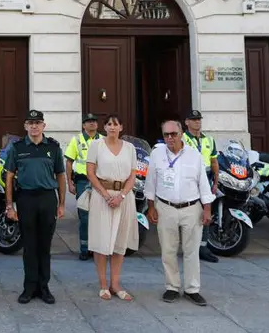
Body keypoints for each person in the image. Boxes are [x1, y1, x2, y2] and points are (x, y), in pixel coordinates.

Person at [144, 119, 214, 306]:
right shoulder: (157, 154)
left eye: (173, 134)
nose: (169, 138)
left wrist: (207, 208)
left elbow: (203, 184)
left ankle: (192, 289)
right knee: (168, 250)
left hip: (191, 208)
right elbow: (150, 182)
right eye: (166, 134)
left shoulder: (194, 155)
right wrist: (151, 206)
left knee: (191, 251)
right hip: (165, 207)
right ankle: (172, 287)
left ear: (181, 133)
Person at [4, 110, 65, 305]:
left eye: (38, 122)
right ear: (25, 126)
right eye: (30, 123)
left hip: (47, 198)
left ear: (43, 126)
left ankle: (44, 287)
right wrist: (9, 205)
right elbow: (9, 176)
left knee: (44, 245)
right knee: (29, 245)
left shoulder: (53, 148)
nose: (34, 126)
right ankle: (29, 287)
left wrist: (62, 203)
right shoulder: (18, 147)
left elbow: (61, 176)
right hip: (26, 199)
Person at [85, 114, 138, 301]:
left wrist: (122, 195)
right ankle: (103, 284)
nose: (112, 127)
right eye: (109, 124)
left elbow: (133, 175)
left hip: (124, 197)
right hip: (102, 196)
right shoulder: (96, 145)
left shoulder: (130, 148)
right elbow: (90, 172)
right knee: (101, 241)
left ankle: (115, 283)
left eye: (116, 124)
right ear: (104, 127)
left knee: (119, 241)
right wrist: (106, 195)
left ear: (121, 127)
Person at [65, 113, 103, 261]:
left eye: (94, 121)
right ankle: (85, 249)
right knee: (85, 216)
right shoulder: (77, 140)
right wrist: (70, 182)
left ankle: (98, 249)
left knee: (100, 216)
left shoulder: (103, 140)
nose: (92, 123)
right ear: (83, 125)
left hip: (101, 182)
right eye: (89, 121)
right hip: (83, 182)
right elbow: (69, 162)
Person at [183, 110, 220, 263]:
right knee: (190, 214)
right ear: (187, 122)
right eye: (193, 119)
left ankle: (202, 247)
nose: (197, 122)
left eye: (198, 119)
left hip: (206, 179)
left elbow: (214, 162)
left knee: (206, 213)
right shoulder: (183, 138)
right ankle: (190, 247)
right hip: (189, 180)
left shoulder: (209, 140)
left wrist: (216, 182)